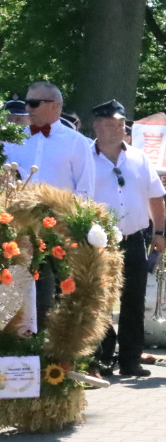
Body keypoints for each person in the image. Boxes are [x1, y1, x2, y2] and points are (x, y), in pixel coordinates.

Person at [2, 81, 95, 329]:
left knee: (56, 292)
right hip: (18, 230)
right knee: (16, 291)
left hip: (58, 230)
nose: (27, 108)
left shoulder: (77, 142)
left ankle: (52, 353)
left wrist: (73, 227)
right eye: (26, 103)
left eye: (34, 103)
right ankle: (19, 346)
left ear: (54, 106)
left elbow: (85, 190)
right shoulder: (12, 141)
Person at [90, 100, 166, 378]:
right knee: (98, 301)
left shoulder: (139, 157)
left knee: (134, 300)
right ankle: (100, 356)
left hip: (134, 239)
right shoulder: (83, 158)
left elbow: (156, 198)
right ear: (96, 126)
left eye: (121, 125)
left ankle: (130, 359)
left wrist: (158, 232)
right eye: (110, 124)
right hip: (96, 242)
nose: (117, 130)